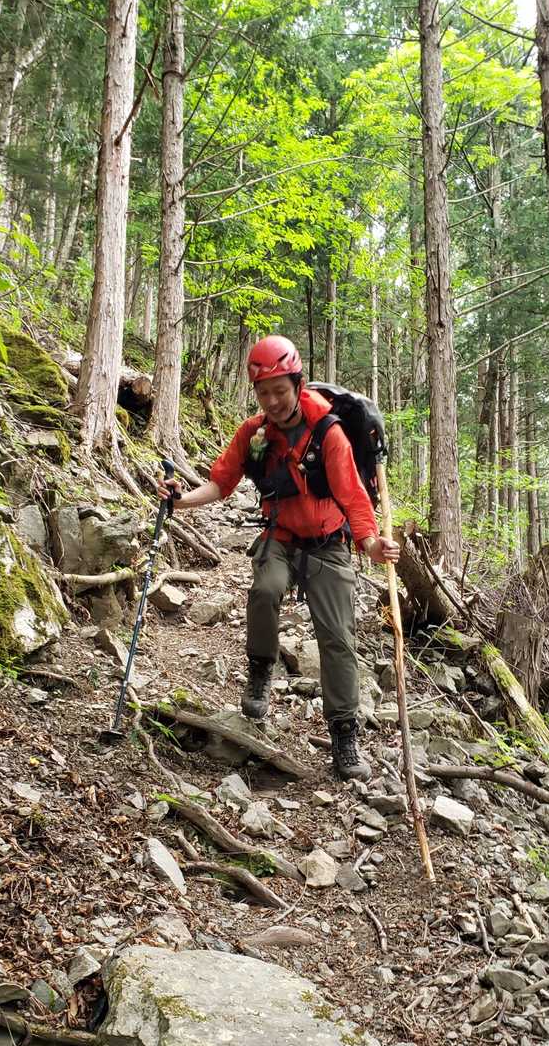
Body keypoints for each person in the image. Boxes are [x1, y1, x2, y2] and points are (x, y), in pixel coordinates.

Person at [158, 334, 400, 781]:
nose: (271, 401)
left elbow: (354, 497)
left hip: (329, 543)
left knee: (337, 637)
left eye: (280, 391)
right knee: (265, 590)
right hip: (281, 535)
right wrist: (180, 501)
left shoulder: (328, 433)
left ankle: (344, 734)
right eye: (263, 392)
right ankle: (260, 672)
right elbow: (221, 482)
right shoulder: (254, 434)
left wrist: (370, 544)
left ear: (297, 384)